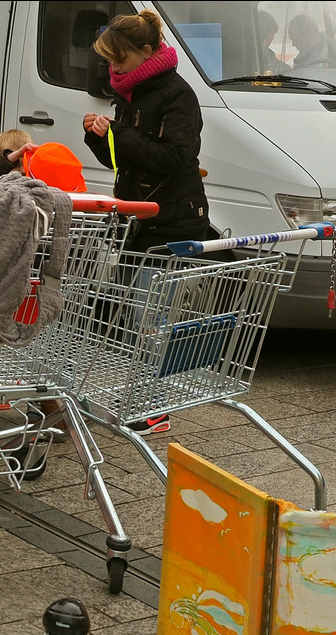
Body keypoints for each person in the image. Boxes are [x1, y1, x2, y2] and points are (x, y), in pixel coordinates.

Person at [84, 11, 208, 436]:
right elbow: (125, 162)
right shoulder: (129, 93)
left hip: (172, 219)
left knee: (152, 316)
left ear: (147, 52)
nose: (112, 68)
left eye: (119, 59)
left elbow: (176, 158)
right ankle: (139, 396)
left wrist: (120, 132)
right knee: (131, 316)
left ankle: (156, 405)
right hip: (136, 217)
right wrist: (101, 140)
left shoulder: (178, 95)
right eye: (108, 60)